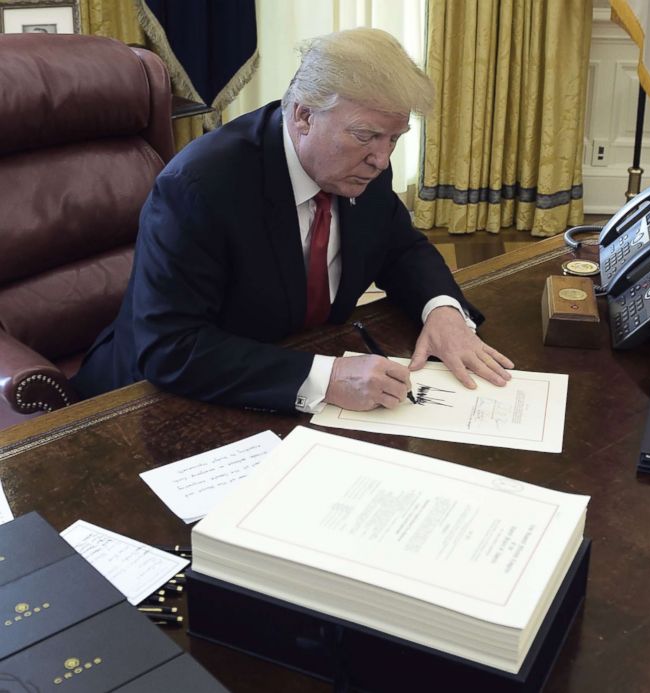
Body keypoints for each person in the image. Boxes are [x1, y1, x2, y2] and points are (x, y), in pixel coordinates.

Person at [72, 28, 513, 413]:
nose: (382, 158)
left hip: (284, 361)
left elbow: (399, 247)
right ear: (303, 116)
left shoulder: (363, 164)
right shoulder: (199, 188)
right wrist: (328, 378)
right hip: (146, 401)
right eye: (366, 136)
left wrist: (443, 311)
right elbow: (171, 348)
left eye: (394, 138)